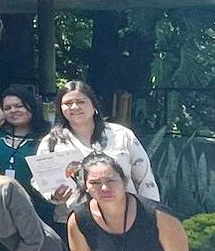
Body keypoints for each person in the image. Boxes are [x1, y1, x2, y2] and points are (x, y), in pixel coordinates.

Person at [40, 81, 160, 222]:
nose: (74, 107)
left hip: (127, 218)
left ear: (94, 105)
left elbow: (145, 178)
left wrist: (152, 215)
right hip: (75, 221)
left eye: (81, 101)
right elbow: (41, 180)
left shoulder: (121, 134)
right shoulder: (52, 142)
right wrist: (54, 196)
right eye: (67, 103)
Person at [0, 86, 56, 223]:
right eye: (7, 108)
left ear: (31, 106)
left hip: (39, 208)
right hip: (3, 209)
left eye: (19, 106)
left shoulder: (49, 138)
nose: (13, 111)